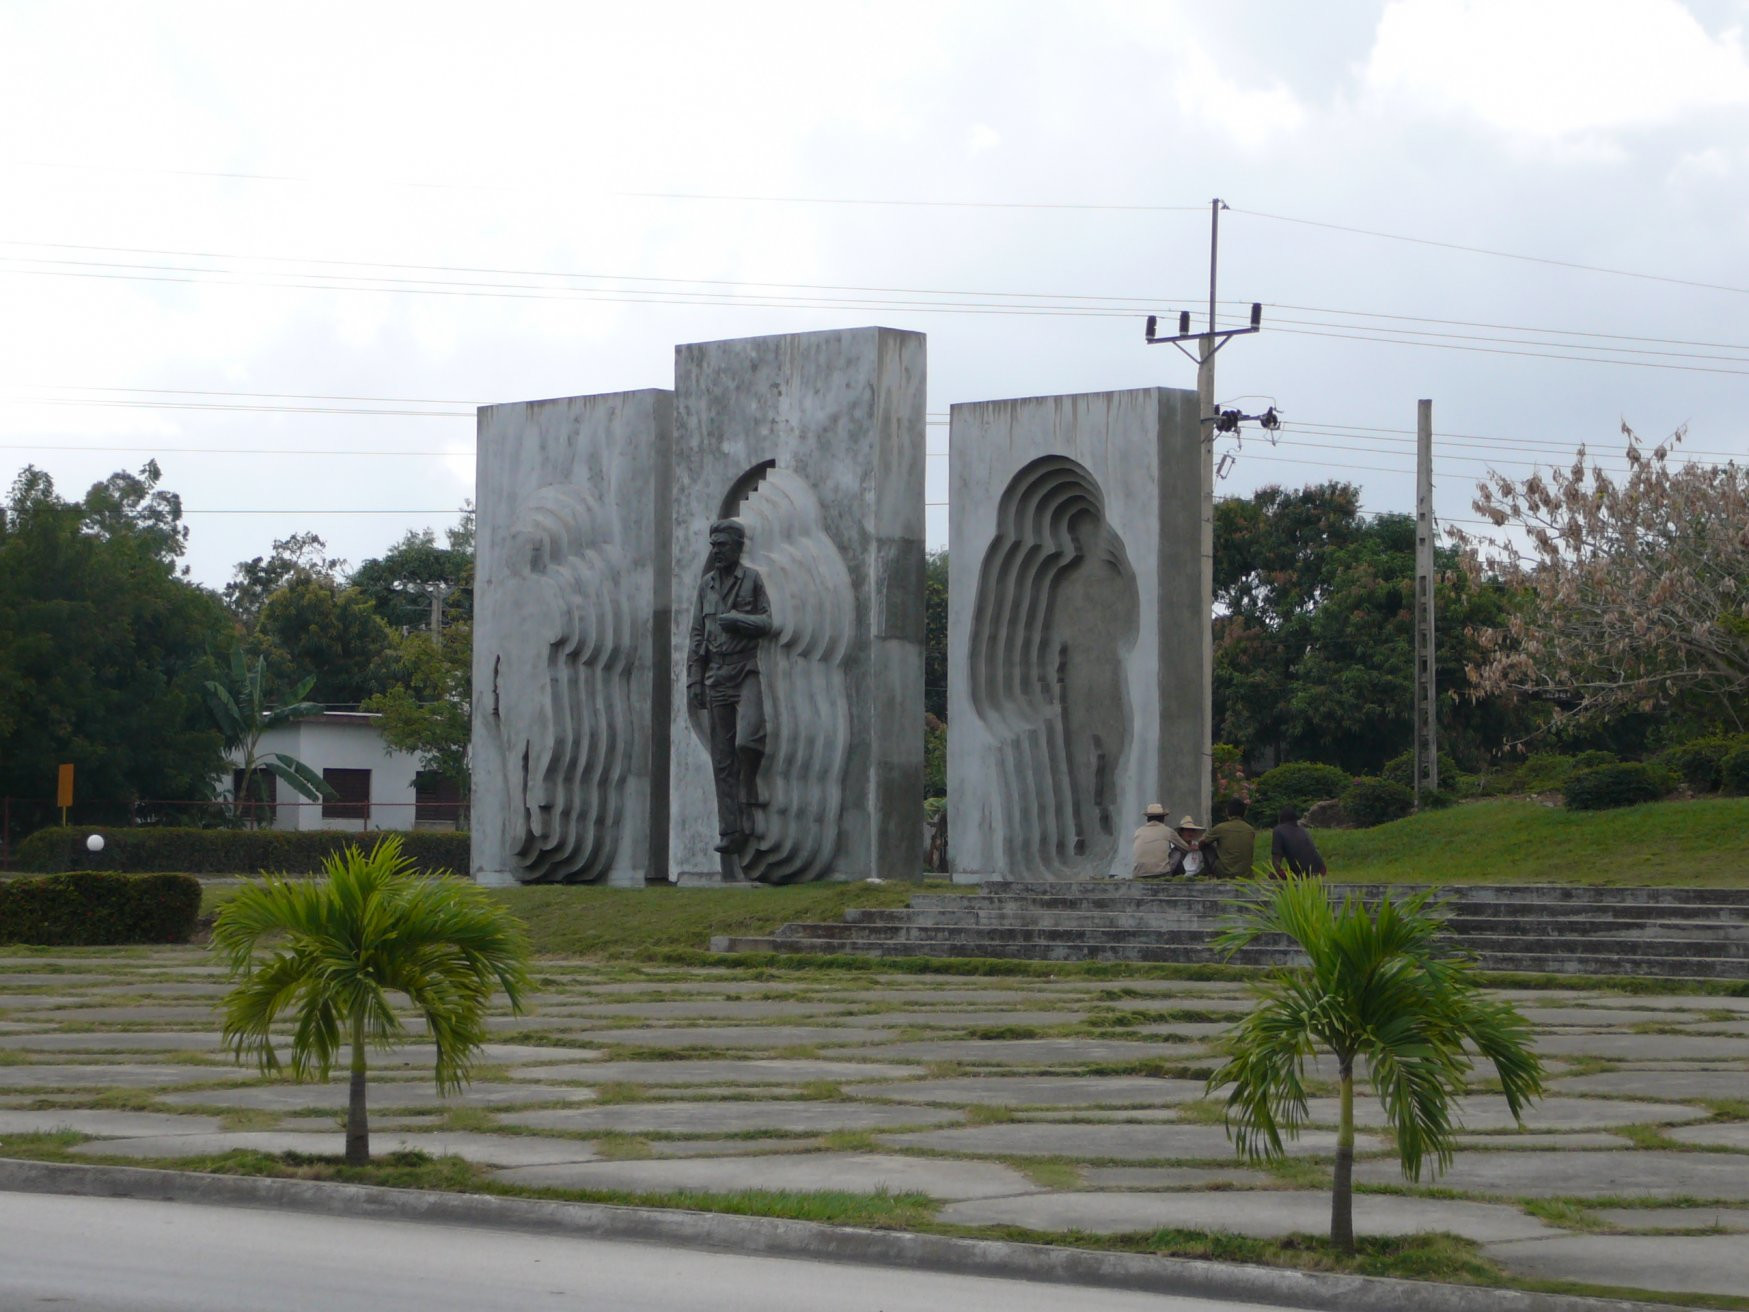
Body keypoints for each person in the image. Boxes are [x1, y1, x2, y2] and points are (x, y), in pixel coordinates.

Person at [686, 519, 774, 854]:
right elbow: (697, 636)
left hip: (745, 669)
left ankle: (748, 793)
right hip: (715, 676)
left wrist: (738, 620)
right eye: (713, 545)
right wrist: (695, 679)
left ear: (737, 546)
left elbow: (767, 622)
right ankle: (731, 830)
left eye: (721, 545)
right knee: (722, 759)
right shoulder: (706, 586)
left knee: (748, 740)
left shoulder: (752, 580)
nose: (716, 551)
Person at [1201, 798, 1257, 880]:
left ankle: (1209, 875)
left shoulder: (1220, 828)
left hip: (1224, 873)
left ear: (1227, 812)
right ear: (1245, 813)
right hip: (1246, 874)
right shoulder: (1250, 830)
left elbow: (1202, 843)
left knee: (1205, 846)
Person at [1131, 802, 1189, 879]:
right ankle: (1177, 876)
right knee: (1177, 851)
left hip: (1138, 874)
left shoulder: (1138, 831)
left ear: (1147, 818)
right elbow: (1185, 848)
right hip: (1161, 873)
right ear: (1163, 818)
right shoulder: (1167, 831)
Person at [1270, 804, 1327, 877]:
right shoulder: (1302, 830)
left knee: (1273, 875)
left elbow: (1276, 856)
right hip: (1321, 870)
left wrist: (1275, 872)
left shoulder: (1278, 830)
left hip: (1302, 873)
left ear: (1281, 818)